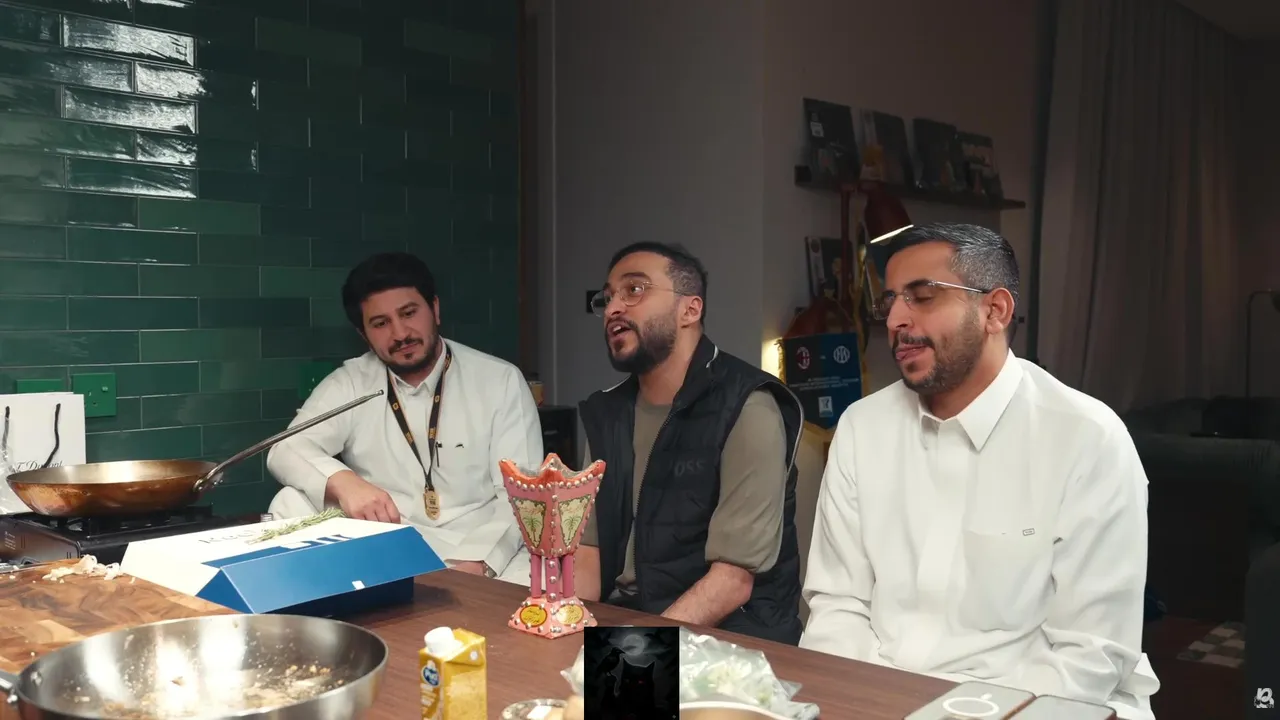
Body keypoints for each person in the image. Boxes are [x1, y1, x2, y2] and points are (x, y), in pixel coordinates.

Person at [799, 223, 1160, 718]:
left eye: (923, 296)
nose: (897, 319)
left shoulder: (1087, 439)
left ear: (995, 311)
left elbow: (1090, 658)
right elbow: (838, 606)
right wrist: (867, 704)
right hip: (879, 700)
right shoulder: (863, 427)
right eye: (890, 302)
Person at [573, 242, 805, 644]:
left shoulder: (748, 406)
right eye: (607, 298)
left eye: (634, 290)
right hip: (630, 623)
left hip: (731, 636)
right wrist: (563, 633)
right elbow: (588, 554)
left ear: (690, 310)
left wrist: (636, 653)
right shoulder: (607, 413)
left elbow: (732, 582)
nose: (613, 309)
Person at [265, 252, 542, 585]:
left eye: (409, 313)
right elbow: (284, 449)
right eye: (380, 323)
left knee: (540, 579)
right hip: (390, 545)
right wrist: (344, 482)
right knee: (291, 502)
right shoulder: (350, 383)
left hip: (483, 547)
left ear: (434, 309)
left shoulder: (500, 379)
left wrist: (477, 563)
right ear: (363, 333)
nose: (400, 334)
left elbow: (521, 495)